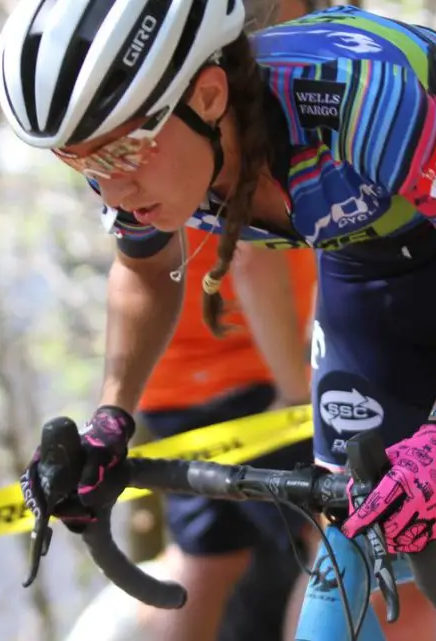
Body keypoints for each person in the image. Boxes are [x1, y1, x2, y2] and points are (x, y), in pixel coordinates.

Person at [1, 4, 436, 641]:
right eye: (84, 164)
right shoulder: (142, 154)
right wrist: (110, 421)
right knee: (364, 543)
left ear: (208, 96)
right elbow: (145, 274)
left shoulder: (355, 104)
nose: (112, 190)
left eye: (123, 153)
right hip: (376, 263)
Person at [133, 227, 317, 641]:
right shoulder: (231, 164)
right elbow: (253, 257)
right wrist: (294, 392)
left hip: (170, 388)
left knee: (210, 555)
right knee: (332, 538)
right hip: (252, 379)